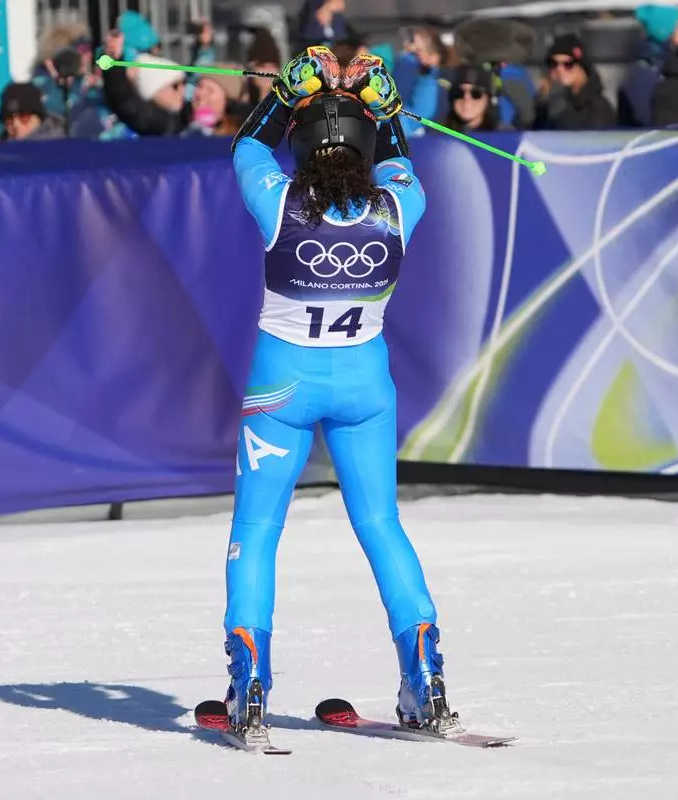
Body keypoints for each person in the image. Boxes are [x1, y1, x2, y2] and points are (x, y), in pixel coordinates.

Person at [221, 46, 452, 746]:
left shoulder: (278, 199)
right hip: (363, 384)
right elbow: (399, 159)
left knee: (258, 532)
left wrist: (290, 93)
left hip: (282, 385)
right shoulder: (398, 205)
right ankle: (424, 671)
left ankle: (249, 679)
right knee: (380, 523)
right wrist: (382, 105)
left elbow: (246, 148)